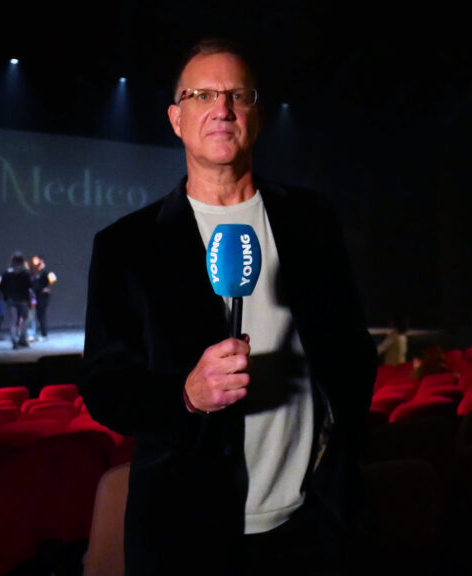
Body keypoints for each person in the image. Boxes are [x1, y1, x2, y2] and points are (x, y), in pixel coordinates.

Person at [81, 38, 376, 576]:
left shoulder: (311, 221)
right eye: (202, 95)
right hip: (184, 534)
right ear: (176, 118)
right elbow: (104, 388)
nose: (222, 108)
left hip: (314, 527)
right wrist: (186, 396)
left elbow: (352, 352)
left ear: (256, 116)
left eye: (237, 95)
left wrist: (338, 461)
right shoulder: (127, 244)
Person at [1, 251, 33, 350]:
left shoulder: (7, 272)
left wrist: (6, 297)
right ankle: (22, 339)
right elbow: (30, 286)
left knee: (13, 322)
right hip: (23, 300)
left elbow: (2, 287)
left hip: (11, 300)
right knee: (24, 320)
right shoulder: (26, 273)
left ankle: (14, 340)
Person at [30, 255, 57, 341]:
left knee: (42, 315)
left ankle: (44, 335)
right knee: (39, 315)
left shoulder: (46, 271)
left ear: (41, 260)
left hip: (43, 297)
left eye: (36, 260)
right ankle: (42, 333)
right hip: (38, 296)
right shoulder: (38, 272)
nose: (35, 262)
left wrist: (48, 288)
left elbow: (53, 278)